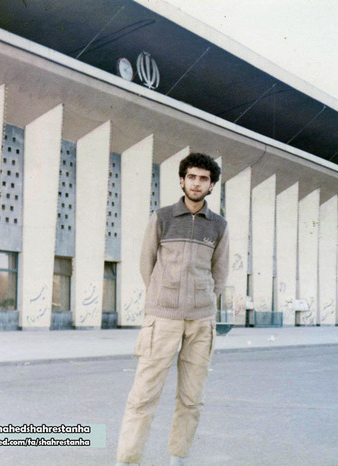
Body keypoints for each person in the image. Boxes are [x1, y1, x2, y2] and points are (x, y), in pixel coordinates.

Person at [116, 153, 229, 466]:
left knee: (192, 398)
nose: (197, 183)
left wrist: (203, 299)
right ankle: (127, 461)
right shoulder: (163, 217)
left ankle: (177, 460)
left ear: (211, 185)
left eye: (203, 179)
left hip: (201, 322)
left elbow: (220, 272)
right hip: (162, 319)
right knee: (143, 396)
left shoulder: (218, 226)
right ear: (182, 180)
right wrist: (163, 297)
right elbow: (147, 263)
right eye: (191, 177)